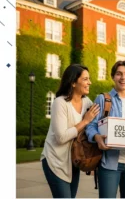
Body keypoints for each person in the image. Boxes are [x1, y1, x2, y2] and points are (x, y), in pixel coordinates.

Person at [86, 60, 125, 198]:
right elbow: (91, 125)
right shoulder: (102, 99)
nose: (123, 77)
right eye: (119, 74)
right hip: (110, 163)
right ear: (113, 77)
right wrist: (97, 137)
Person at [40, 64, 100, 198]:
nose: (89, 82)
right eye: (85, 79)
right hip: (55, 160)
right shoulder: (60, 103)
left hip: (74, 160)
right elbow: (61, 137)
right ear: (73, 82)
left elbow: (103, 116)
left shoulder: (87, 102)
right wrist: (84, 121)